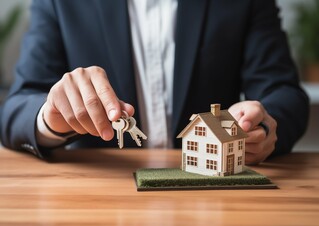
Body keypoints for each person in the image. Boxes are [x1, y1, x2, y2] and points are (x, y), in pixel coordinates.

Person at [0, 0, 309, 165]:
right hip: (99, 199)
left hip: (214, 202)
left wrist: (265, 126)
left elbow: (283, 93)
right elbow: (17, 105)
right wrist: (50, 119)